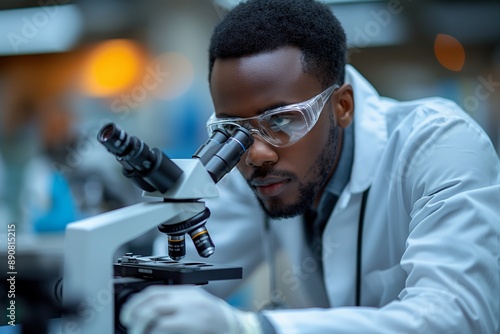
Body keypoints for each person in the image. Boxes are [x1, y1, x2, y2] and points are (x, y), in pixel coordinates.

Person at [120, 0, 500, 333]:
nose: (257, 155)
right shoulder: (256, 168)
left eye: (282, 121)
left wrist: (253, 329)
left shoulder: (437, 146)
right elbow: (186, 277)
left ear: (342, 107)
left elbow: (460, 316)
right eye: (234, 131)